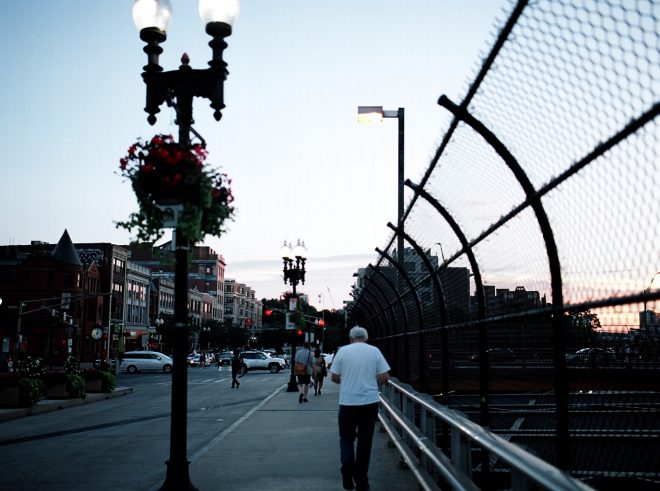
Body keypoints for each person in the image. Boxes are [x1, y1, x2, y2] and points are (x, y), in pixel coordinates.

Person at [330, 326, 390, 491]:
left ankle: (347, 470)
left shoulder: (342, 352)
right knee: (365, 442)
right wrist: (370, 382)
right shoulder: (374, 351)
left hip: (347, 402)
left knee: (346, 438)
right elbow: (385, 376)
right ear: (366, 338)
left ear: (350, 338)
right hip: (369, 403)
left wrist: (349, 381)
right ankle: (362, 480)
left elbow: (334, 377)